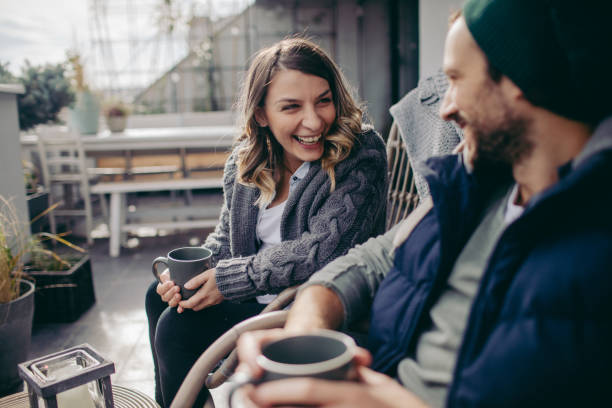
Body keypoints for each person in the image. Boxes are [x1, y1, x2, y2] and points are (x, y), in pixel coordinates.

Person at [236, 1, 612, 407]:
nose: (446, 109)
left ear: (518, 81)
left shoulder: (593, 254)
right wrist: (309, 325)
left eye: (456, 79)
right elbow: (374, 259)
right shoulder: (475, 188)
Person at [145, 37, 388, 407]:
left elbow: (321, 253)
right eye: (291, 107)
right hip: (258, 297)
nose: (314, 120)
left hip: (308, 306)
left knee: (175, 328)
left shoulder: (360, 154)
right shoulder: (246, 162)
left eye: (324, 100)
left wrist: (229, 281)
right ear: (262, 114)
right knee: (159, 298)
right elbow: (226, 238)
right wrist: (193, 274)